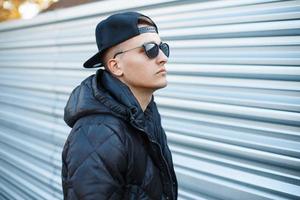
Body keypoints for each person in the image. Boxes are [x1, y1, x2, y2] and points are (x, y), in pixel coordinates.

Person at [61, 11, 178, 200]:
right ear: (116, 66)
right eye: (150, 49)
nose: (163, 57)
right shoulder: (98, 134)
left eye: (162, 47)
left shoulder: (145, 115)